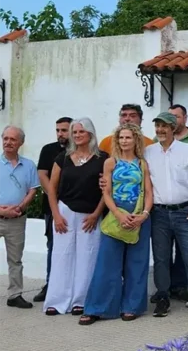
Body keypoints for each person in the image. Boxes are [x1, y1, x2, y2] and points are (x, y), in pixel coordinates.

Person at [79, 124, 153, 324]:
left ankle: (132, 306)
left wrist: (144, 215)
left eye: (128, 137)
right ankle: (97, 308)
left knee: (137, 263)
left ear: (135, 140)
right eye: (121, 138)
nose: (124, 141)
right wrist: (118, 215)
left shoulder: (142, 164)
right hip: (115, 216)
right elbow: (107, 193)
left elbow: (148, 191)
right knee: (107, 263)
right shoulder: (110, 163)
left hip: (139, 217)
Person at [144, 111, 188, 319]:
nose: (160, 130)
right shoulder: (148, 152)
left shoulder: (187, 150)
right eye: (157, 126)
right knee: (161, 257)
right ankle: (163, 296)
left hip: (185, 211)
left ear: (173, 128)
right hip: (159, 214)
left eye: (164, 126)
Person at [44, 118, 108, 315]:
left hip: (90, 215)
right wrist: (56, 214)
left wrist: (96, 214)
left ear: (90, 133)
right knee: (61, 256)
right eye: (75, 132)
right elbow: (51, 189)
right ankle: (57, 300)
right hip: (65, 212)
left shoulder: (103, 159)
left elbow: (107, 190)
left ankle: (80, 300)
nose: (78, 135)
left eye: (81, 131)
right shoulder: (62, 158)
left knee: (87, 257)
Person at [0, 125, 39, 309]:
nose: (8, 142)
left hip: (16, 219)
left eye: (12, 139)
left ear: (21, 143)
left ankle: (14, 295)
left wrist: (21, 206)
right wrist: (2, 211)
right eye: (5, 138)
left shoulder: (29, 165)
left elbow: (32, 190)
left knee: (15, 259)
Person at [35, 116, 72, 303]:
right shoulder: (49, 150)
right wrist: (53, 196)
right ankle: (50, 284)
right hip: (52, 207)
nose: (60, 134)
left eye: (64, 130)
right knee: (53, 246)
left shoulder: (80, 150)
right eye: (58, 130)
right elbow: (42, 174)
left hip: (76, 206)